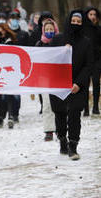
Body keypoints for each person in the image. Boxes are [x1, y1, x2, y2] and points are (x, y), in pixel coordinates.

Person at [50, 10, 93, 160]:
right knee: (60, 113)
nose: (75, 24)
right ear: (68, 21)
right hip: (58, 84)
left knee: (75, 113)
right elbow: (49, 61)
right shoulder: (57, 40)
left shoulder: (86, 42)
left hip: (77, 85)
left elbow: (88, 66)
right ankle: (62, 140)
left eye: (78, 22)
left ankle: (73, 146)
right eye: (73, 21)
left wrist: (79, 83)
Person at [35, 18, 60, 141]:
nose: (49, 31)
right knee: (47, 104)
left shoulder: (61, 42)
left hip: (58, 77)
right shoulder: (39, 44)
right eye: (47, 29)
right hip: (44, 78)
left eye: (51, 29)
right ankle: (49, 130)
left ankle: (60, 128)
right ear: (43, 31)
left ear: (55, 30)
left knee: (59, 105)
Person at [83, 7, 101, 115]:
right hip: (85, 60)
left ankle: (95, 107)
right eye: (90, 14)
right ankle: (85, 108)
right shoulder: (82, 29)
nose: (93, 17)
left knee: (96, 82)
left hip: (97, 59)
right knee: (85, 83)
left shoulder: (99, 29)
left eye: (94, 15)